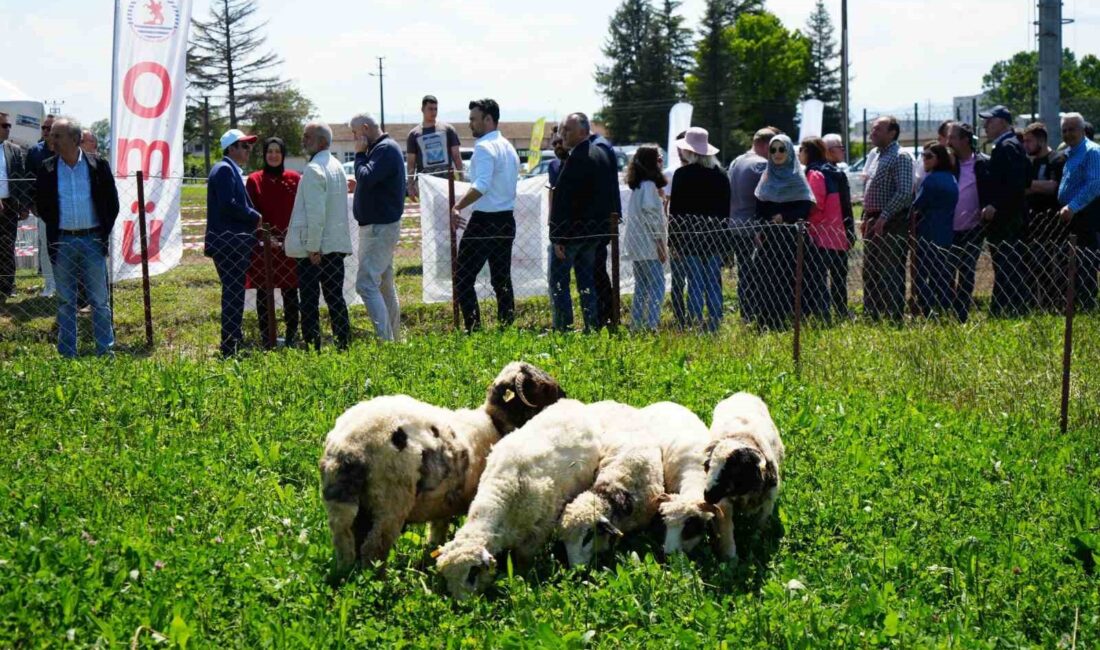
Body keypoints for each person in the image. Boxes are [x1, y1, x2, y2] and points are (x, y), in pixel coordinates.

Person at [33, 118, 119, 357]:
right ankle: (67, 353)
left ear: (74, 139)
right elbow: (42, 205)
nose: (52, 139)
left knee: (99, 301)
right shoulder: (47, 168)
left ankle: (105, 352)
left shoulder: (98, 165)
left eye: (57, 135)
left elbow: (111, 204)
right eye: (51, 135)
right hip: (62, 242)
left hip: (92, 240)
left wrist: (102, 233)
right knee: (65, 302)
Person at [450, 98, 520, 332]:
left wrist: (457, 206)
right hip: (506, 220)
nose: (470, 124)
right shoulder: (508, 147)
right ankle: (507, 327)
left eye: (473, 119)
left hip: (485, 221)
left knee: (462, 278)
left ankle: (474, 330)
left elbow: (481, 186)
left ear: (488, 119)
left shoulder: (483, 147)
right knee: (501, 279)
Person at [285, 123, 353, 349]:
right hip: (335, 245)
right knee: (335, 298)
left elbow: (316, 215)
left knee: (310, 301)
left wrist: (313, 247)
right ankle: (344, 344)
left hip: (316, 249)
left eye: (308, 136)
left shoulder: (314, 169)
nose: (304, 140)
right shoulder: (336, 165)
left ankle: (314, 347)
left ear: (322, 142)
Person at [548, 112, 616, 332]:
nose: (563, 133)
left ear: (583, 131)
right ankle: (592, 326)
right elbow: (609, 194)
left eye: (568, 129)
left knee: (559, 283)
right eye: (562, 129)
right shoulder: (602, 154)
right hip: (594, 234)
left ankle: (563, 328)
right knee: (587, 282)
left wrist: (556, 236)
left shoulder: (576, 157)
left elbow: (563, 199)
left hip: (571, 235)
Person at [205, 128, 261, 357]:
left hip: (230, 242)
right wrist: (254, 216)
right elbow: (229, 204)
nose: (248, 150)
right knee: (233, 293)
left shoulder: (227, 170)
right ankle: (230, 345)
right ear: (231, 148)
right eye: (244, 146)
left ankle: (233, 339)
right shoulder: (225, 170)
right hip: (230, 243)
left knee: (234, 292)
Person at [351, 112, 405, 341]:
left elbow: (366, 176)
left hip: (379, 228)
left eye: (355, 133)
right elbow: (370, 179)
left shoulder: (383, 149)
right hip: (380, 227)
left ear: (364, 128)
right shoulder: (383, 149)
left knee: (365, 284)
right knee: (383, 284)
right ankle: (394, 337)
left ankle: (386, 341)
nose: (354, 138)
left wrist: (359, 154)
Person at [668, 128, 729, 332]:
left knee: (694, 281)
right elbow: (726, 211)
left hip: (688, 238)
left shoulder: (682, 175)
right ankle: (714, 322)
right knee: (713, 281)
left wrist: (673, 242)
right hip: (715, 237)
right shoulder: (721, 175)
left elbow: (675, 212)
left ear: (689, 151)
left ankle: (694, 322)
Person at [754, 133, 815, 329]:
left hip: (792, 239)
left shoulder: (797, 177)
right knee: (767, 279)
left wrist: (785, 217)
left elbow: (805, 207)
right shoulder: (767, 176)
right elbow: (759, 208)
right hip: (769, 239)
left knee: (790, 279)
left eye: (782, 149)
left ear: (789, 151)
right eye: (773, 150)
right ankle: (768, 320)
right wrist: (761, 226)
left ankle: (792, 320)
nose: (778, 154)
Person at [245, 137, 301, 348]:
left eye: (278, 151)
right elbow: (251, 214)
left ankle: (292, 335)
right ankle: (267, 336)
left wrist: (289, 238)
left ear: (283, 154)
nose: (274, 155)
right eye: (270, 151)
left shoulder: (295, 178)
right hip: (264, 246)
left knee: (290, 291)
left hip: (289, 245)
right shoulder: (255, 180)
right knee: (264, 292)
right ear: (264, 154)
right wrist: (265, 238)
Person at [978, 105, 1031, 317]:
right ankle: (1005, 309)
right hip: (1010, 216)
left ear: (1002, 122)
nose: (985, 125)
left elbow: (1016, 183)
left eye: (990, 121)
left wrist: (995, 205)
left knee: (1008, 266)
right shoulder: (1012, 144)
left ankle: (1008, 310)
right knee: (1007, 265)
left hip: (1007, 219)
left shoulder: (1007, 146)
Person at [861, 116, 914, 322]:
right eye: (872, 129)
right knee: (870, 269)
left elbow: (904, 193)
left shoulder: (901, 156)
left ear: (892, 132)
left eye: (878, 129)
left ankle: (893, 316)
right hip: (873, 220)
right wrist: (867, 217)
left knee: (889, 269)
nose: (872, 133)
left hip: (892, 221)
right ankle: (871, 314)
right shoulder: (874, 154)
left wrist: (884, 217)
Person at [727, 127, 777, 323]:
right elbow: (764, 199)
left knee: (744, 272)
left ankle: (746, 312)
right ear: (765, 145)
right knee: (758, 273)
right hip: (754, 229)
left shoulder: (737, 161)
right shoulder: (761, 165)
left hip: (736, 224)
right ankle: (755, 312)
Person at [800, 137, 853, 322]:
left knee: (818, 280)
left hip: (820, 235)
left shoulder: (815, 173)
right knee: (839, 280)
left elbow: (815, 205)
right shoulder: (837, 172)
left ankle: (823, 318)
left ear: (808, 152)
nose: (800, 154)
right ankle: (841, 313)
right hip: (839, 235)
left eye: (802, 150)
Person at [946, 122, 988, 322]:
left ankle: (962, 315)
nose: (948, 141)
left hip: (973, 229)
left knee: (966, 271)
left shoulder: (982, 163)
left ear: (965, 140)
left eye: (953, 137)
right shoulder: (946, 164)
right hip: (947, 229)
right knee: (945, 272)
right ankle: (947, 312)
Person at [623, 144, 668, 331]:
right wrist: (660, 243)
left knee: (641, 284)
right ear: (652, 162)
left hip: (637, 243)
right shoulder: (649, 186)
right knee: (658, 283)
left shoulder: (639, 186)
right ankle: (651, 324)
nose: (661, 162)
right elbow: (652, 216)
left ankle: (637, 323)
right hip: (648, 243)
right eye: (658, 158)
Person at [1022, 122, 1067, 311]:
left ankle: (1055, 306)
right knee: (1035, 268)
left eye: (1029, 141)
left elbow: (1054, 186)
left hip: (1053, 224)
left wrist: (1028, 186)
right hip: (1034, 224)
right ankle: (1039, 306)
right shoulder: (1032, 162)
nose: (1026, 145)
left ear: (1041, 139)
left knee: (1055, 268)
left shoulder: (1057, 160)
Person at [1058, 112, 1100, 312]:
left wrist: (1072, 206)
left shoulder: (1091, 151)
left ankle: (1087, 307)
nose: (1068, 133)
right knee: (1074, 263)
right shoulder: (1071, 152)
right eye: (1064, 130)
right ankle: (1078, 305)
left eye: (1072, 129)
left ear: (1083, 130)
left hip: (1086, 215)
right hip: (1072, 218)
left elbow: (1094, 184)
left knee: (1086, 263)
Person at [912, 143, 959, 317]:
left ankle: (928, 310)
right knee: (942, 274)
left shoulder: (931, 180)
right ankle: (945, 308)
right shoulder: (952, 178)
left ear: (939, 159)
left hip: (928, 231)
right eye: (923, 155)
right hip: (946, 232)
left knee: (923, 274)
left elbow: (917, 205)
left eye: (929, 156)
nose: (924, 159)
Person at [406, 95, 463, 200]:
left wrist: (462, 178)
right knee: (429, 215)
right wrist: (410, 185)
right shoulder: (414, 134)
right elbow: (411, 163)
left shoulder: (448, 129)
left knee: (450, 214)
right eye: (430, 109)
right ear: (422, 109)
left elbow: (456, 156)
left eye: (435, 109)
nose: (434, 112)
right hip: (426, 184)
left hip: (447, 182)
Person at [25, 114, 56, 298]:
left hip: (67, 208)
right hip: (44, 209)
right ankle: (49, 285)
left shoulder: (66, 150)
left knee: (66, 246)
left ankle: (66, 284)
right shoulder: (34, 152)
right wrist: (31, 204)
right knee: (46, 246)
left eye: (48, 128)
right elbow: (28, 181)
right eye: (43, 128)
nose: (44, 131)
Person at [0, 112, 29, 301]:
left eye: (9, 125)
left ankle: (6, 287)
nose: (8, 128)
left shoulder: (15, 150)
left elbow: (22, 181)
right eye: (4, 125)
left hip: (9, 205)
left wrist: (24, 205)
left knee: (7, 246)